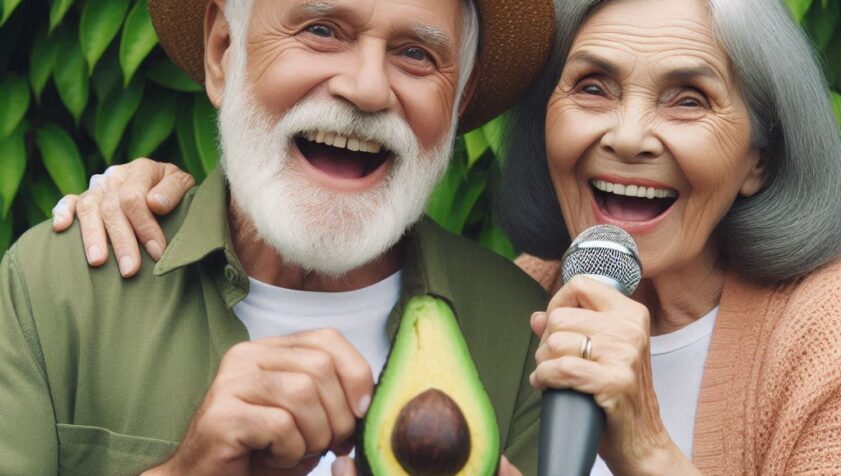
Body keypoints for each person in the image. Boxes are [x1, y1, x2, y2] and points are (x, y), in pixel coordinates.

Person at [60, 0, 841, 474]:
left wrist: (648, 455)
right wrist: (191, 203)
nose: (627, 137)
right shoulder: (517, 297)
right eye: (592, 87)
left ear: (757, 158)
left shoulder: (821, 337)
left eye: (687, 100)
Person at [0, 0, 558, 474]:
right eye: (321, 31)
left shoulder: (523, 339)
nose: (366, 89)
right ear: (224, 51)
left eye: (415, 54)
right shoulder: (55, 287)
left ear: (458, 101)